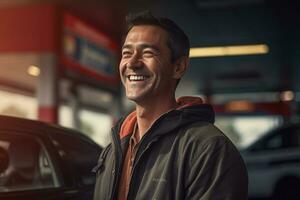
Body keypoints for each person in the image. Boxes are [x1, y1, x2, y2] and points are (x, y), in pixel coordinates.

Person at [93, 11, 248, 200]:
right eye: (127, 53)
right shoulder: (113, 150)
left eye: (148, 52)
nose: (132, 63)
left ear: (179, 67)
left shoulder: (209, 149)